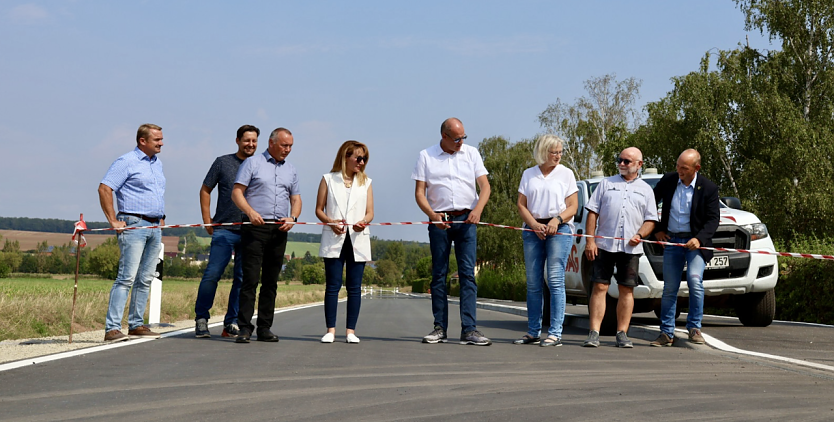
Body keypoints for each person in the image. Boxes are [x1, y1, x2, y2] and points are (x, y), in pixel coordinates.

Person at [412, 117, 492, 346]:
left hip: (467, 220)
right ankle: (439, 328)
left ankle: (469, 330)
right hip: (440, 221)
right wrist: (432, 215)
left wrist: (478, 210)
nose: (461, 142)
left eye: (463, 137)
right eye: (457, 138)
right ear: (444, 137)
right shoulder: (426, 156)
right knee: (439, 274)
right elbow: (419, 193)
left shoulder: (471, 153)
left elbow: (485, 186)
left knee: (467, 274)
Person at [582, 147, 658, 348]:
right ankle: (594, 333)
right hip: (604, 245)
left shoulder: (646, 189)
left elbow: (651, 220)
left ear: (639, 165)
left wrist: (640, 234)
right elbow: (592, 213)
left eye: (627, 161)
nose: (622, 164)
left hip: (630, 248)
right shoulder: (606, 183)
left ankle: (622, 333)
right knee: (599, 287)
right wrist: (590, 241)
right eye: (620, 160)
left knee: (627, 289)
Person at [231, 127, 301, 344]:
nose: (287, 150)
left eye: (290, 146)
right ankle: (244, 327)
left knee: (271, 282)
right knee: (250, 279)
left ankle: (264, 327)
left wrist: (293, 217)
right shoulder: (252, 163)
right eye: (284, 145)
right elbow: (236, 192)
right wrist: (250, 212)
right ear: (271, 143)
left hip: (279, 229)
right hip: (255, 228)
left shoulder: (291, 170)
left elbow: (296, 199)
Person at [98, 123, 166, 342]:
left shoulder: (157, 164)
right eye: (157, 139)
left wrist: (160, 215)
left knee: (146, 278)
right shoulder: (126, 161)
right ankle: (112, 328)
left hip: (154, 226)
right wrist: (112, 220)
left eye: (161, 139)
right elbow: (105, 188)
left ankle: (136, 325)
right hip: (134, 224)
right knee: (126, 277)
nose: (161, 143)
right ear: (142, 141)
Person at [194, 125, 260, 339]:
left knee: (242, 279)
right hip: (224, 228)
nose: (250, 144)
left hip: (250, 232)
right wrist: (207, 220)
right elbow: (205, 189)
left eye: (254, 141)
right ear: (238, 141)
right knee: (212, 274)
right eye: (246, 140)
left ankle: (230, 323)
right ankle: (201, 319)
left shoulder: (260, 165)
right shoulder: (222, 162)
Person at [651, 149, 720, 347]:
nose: (679, 170)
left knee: (694, 281)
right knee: (670, 288)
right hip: (672, 241)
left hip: (695, 243)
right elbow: (648, 204)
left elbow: (713, 219)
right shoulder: (669, 180)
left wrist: (699, 239)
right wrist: (656, 230)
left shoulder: (708, 188)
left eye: (684, 168)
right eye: (677, 166)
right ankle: (666, 333)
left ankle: (694, 328)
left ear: (696, 168)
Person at [514, 134, 578, 347]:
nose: (558, 156)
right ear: (543, 152)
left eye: (560, 152)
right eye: (554, 152)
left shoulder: (566, 174)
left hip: (559, 229)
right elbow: (521, 204)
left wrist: (556, 220)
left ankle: (555, 333)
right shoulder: (528, 174)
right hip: (533, 230)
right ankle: (533, 331)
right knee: (533, 283)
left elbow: (573, 206)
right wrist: (533, 224)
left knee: (554, 279)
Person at [315, 141, 374, 344]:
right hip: (335, 236)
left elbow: (370, 212)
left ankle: (351, 331)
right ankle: (330, 330)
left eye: (364, 158)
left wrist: (363, 222)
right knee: (332, 286)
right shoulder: (328, 179)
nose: (361, 162)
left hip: (358, 238)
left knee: (354, 287)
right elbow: (319, 210)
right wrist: (330, 222)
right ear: (345, 157)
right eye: (358, 158)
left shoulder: (366, 182)